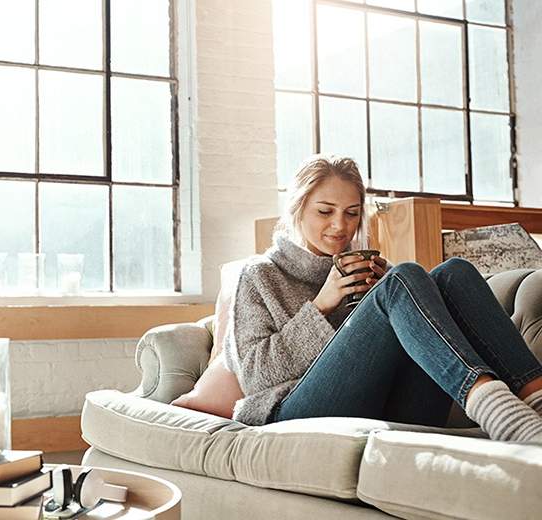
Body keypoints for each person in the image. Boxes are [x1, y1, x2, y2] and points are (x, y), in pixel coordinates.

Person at [224, 154, 542, 444]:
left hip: (387, 407)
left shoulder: (376, 274)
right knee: (401, 280)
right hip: (294, 412)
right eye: (325, 211)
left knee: (453, 273)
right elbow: (254, 377)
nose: (340, 226)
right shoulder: (259, 275)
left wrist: (383, 300)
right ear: (298, 207)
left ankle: (536, 403)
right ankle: (501, 413)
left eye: (351, 213)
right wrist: (322, 305)